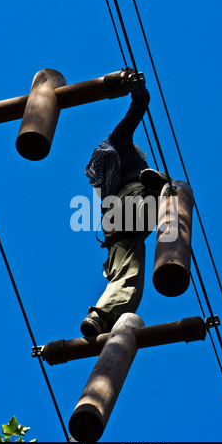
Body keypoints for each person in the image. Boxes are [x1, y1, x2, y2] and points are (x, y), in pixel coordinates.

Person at [80, 68, 168, 337]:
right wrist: (136, 87)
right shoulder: (120, 142)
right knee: (171, 191)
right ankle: (156, 188)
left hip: (116, 228)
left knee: (127, 276)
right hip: (133, 197)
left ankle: (98, 319)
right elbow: (137, 109)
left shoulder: (106, 181)